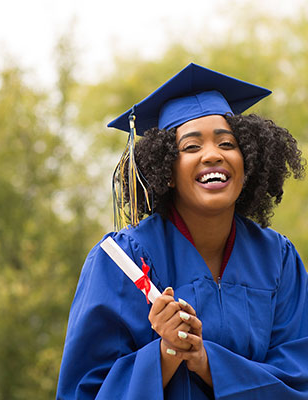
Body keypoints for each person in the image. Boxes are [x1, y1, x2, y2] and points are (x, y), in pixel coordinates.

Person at [56, 63, 308, 399]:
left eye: (227, 144)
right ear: (167, 171)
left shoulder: (276, 257)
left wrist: (207, 363)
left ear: (247, 161)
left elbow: (299, 376)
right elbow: (84, 390)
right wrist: (165, 354)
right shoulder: (123, 261)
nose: (212, 155)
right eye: (191, 147)